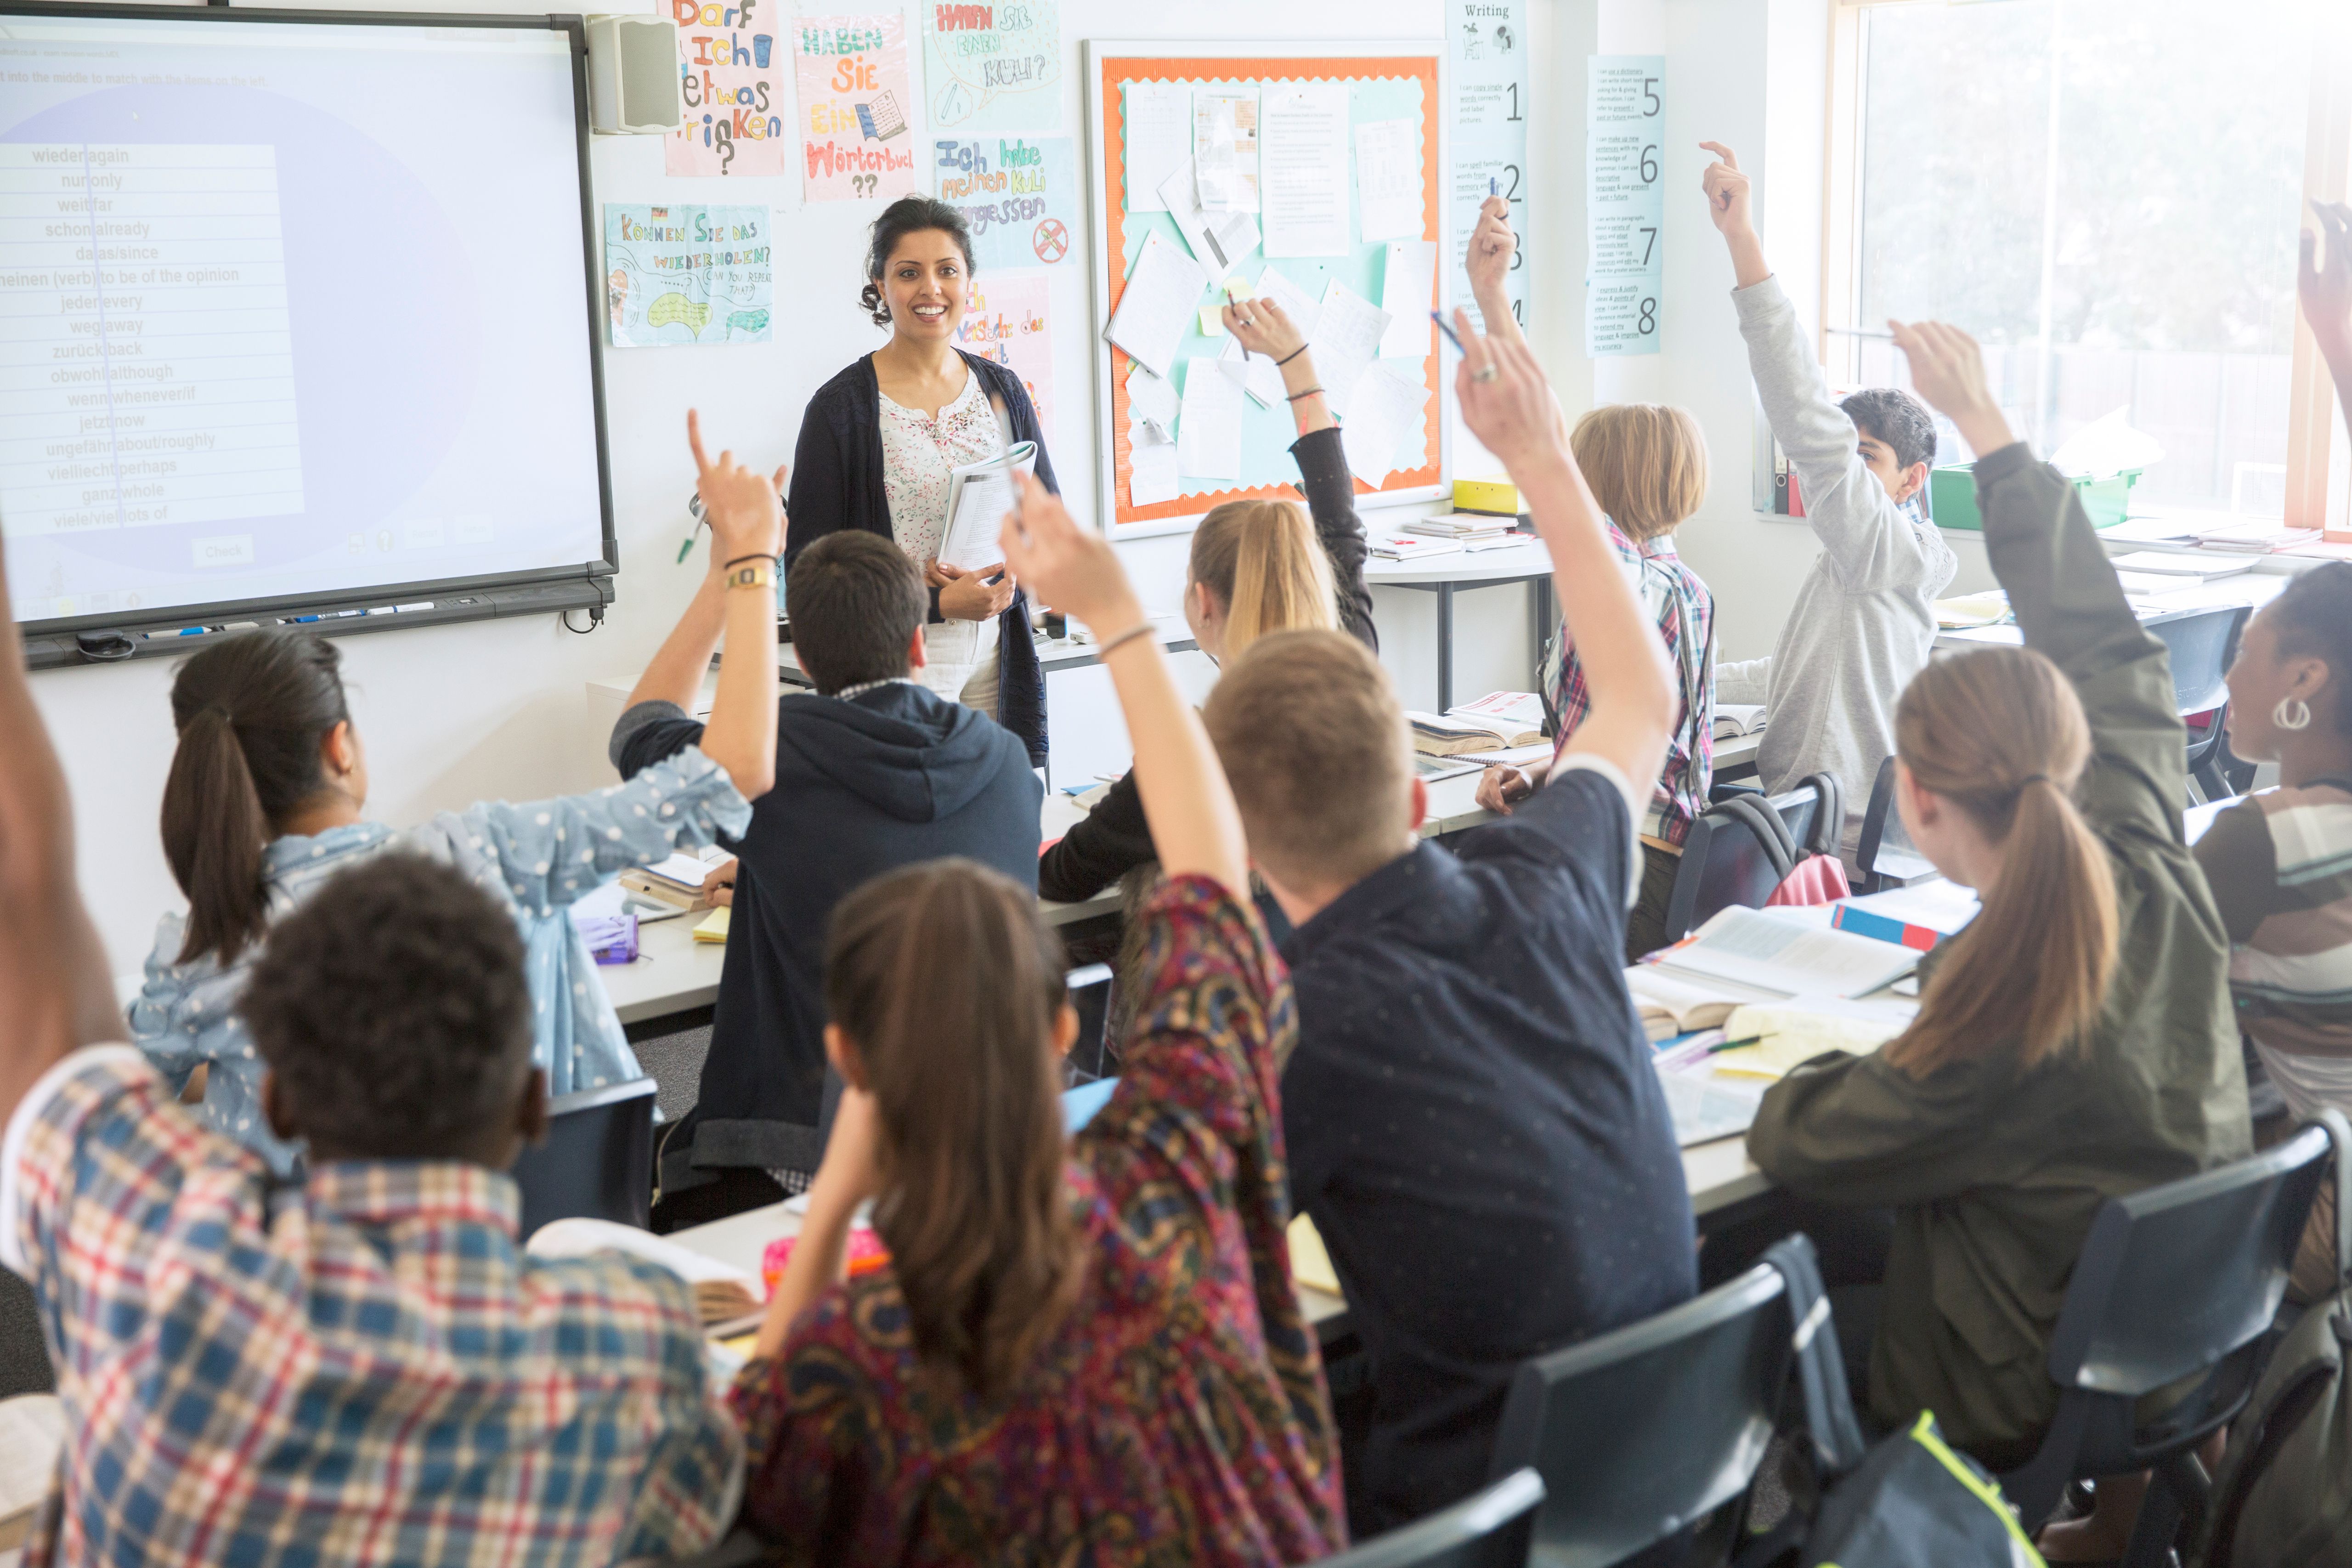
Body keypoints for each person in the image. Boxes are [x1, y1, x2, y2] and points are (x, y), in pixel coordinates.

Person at [0, 504, 751, 1565]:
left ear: (279, 1097)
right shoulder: (631, 1357)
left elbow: (36, 948)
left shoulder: (162, 1315)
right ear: (529, 1101)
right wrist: (744, 560)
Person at [724, 473, 1346, 1565]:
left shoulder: (856, 1355)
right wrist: (1116, 617)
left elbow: (737, 1460)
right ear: (1064, 1029)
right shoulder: (1176, 1180)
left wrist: (829, 1212)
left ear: (848, 1061)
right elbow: (1210, 868)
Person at [1725, 320, 2249, 1489]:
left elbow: (1796, 1135)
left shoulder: (1997, 994)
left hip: (2020, 1378)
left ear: (1914, 800)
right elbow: (2104, 639)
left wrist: (1810, 1054)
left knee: (1755, 1276)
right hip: (2178, 1338)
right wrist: (1987, 426)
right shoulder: (2152, 858)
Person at [1204, 311, 1695, 1530]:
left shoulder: (1295, 1028)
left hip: (1478, 1519)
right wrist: (1540, 456)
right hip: (1675, 1481)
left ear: (1249, 851)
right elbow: (1641, 696)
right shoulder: (1549, 880)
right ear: (1422, 798)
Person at [129, 413, 782, 1176]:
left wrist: (238, 1051)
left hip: (310, 1248)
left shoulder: (196, 951)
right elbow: (734, 770)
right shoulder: (488, 856)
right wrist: (750, 563)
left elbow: (117, 1110)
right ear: (341, 746)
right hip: (541, 1227)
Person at [614, 526, 1041, 1228]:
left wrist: (728, 573)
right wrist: (770, 868)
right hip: (977, 1149)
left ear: (805, 660)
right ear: (918, 643)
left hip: (807, 1166)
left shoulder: (773, 759)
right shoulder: (1006, 759)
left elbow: (638, 731)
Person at [1037, 294, 1375, 907]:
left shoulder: (1189, 756)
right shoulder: (1356, 674)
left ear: (1203, 602)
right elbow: (1340, 524)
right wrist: (1296, 364)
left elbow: (1063, 877)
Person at [1699, 143, 1956, 843]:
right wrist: (1691, 680)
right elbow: (1799, 673)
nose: (1844, 475)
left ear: (1912, 480)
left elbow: (1803, 413)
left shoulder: (1877, 546)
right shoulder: (1865, 558)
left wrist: (1742, 240)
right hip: (1822, 817)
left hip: (1831, 840)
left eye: (1864, 459)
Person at [780, 194, 1057, 766]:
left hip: (1001, 646)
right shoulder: (840, 410)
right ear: (880, 287)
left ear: (968, 281)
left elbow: (1048, 521)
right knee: (917, 809)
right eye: (909, 273)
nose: (931, 289)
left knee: (1002, 804)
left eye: (947, 270)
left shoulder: (1002, 390)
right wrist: (934, 600)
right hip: (896, 656)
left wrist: (1013, 574)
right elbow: (810, 572)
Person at [1474, 400, 1716, 960]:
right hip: (1661, 855)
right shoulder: (1687, 586)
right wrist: (1542, 769)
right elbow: (1638, 737)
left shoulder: (1635, 588)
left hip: (1624, 866)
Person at [2196, 567, 2352, 1304]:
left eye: (2243, 653)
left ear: (2305, 678)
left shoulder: (2264, 838)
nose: (2227, 678)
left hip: (2337, 1210)